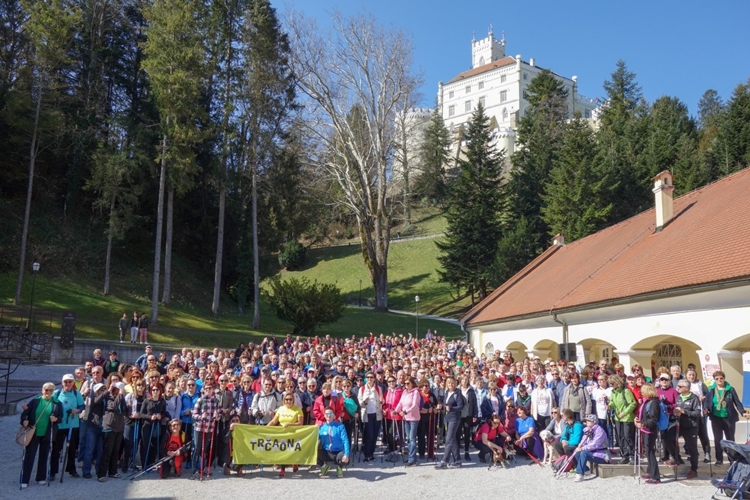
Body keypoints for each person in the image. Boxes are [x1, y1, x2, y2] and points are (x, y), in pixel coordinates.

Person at [20, 382, 62, 489]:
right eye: (46, 390)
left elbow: (60, 417)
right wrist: (24, 420)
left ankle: (41, 478)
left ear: (53, 392)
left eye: (50, 390)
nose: (48, 392)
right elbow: (25, 413)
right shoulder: (35, 401)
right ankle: (24, 479)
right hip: (34, 432)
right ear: (42, 390)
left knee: (44, 456)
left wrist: (55, 419)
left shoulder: (57, 403)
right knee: (29, 457)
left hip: (47, 433)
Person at [708, 370, 748, 466]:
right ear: (714, 380)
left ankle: (732, 459)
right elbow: (708, 402)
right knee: (718, 440)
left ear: (724, 378)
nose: (719, 380)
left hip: (728, 418)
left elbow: (737, 402)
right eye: (717, 378)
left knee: (730, 440)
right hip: (716, 418)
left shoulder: (730, 389)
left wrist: (743, 412)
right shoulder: (712, 389)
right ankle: (719, 459)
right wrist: (706, 409)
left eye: (721, 378)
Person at [50, 373, 84, 480]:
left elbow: (82, 405)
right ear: (62, 382)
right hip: (59, 425)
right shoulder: (57, 393)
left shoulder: (76, 393)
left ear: (73, 383)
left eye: (70, 382)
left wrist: (77, 410)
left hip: (72, 424)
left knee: (72, 449)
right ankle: (53, 471)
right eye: (65, 382)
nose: (68, 384)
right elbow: (49, 403)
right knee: (56, 449)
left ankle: (71, 469)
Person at [266, 392, 304, 477]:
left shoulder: (298, 409)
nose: (288, 401)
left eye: (290, 399)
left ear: (293, 400)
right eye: (286, 399)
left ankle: (294, 462)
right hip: (282, 433)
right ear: (284, 400)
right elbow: (274, 421)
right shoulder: (281, 409)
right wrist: (266, 428)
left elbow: (300, 423)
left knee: (291, 451)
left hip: (292, 433)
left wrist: (290, 424)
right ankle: (283, 469)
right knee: (282, 451)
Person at [97, 381, 126, 482]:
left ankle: (112, 471)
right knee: (107, 451)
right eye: (117, 389)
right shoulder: (108, 397)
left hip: (119, 427)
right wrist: (120, 395)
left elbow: (124, 410)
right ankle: (101, 473)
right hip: (109, 426)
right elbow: (114, 407)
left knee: (115, 451)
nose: (119, 390)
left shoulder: (122, 398)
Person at [435, 376, 465, 469]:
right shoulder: (447, 392)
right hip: (447, 417)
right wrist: (441, 406)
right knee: (453, 439)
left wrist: (451, 408)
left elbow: (461, 406)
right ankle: (457, 460)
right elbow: (446, 405)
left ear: (455, 384)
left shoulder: (457, 393)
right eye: (449, 383)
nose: (450, 385)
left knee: (448, 439)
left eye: (452, 383)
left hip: (455, 418)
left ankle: (445, 461)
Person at [674, 379, 701, 479]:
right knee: (669, 438)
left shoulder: (694, 398)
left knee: (692, 448)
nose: (678, 388)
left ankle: (694, 469)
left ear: (687, 388)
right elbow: (676, 409)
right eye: (678, 386)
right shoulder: (679, 397)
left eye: (680, 386)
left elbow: (697, 413)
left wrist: (684, 411)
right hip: (680, 425)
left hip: (691, 426)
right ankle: (676, 458)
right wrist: (675, 412)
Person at [635, 383, 661, 484]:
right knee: (648, 452)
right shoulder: (647, 402)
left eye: (643, 390)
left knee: (650, 453)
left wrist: (642, 424)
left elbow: (654, 419)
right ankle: (650, 471)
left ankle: (656, 477)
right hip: (646, 429)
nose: (641, 392)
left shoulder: (653, 403)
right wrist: (638, 420)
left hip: (650, 430)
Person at [192, 383, 219, 479]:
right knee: (197, 448)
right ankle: (194, 470)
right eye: (206, 388)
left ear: (213, 389)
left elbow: (218, 415)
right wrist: (200, 417)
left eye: (210, 388)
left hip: (209, 428)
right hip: (200, 428)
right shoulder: (200, 400)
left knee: (205, 449)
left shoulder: (215, 401)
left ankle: (202, 468)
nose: (208, 390)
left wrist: (217, 416)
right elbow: (194, 415)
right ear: (203, 389)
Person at [573, 414, 610, 482]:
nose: (586, 422)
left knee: (584, 453)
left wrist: (582, 448)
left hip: (602, 455)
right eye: (586, 421)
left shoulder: (600, 431)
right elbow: (584, 440)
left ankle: (579, 474)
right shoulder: (588, 430)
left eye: (589, 421)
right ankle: (586, 470)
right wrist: (580, 445)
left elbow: (594, 445)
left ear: (594, 422)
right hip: (593, 452)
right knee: (577, 453)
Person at [609, 374, 636, 465]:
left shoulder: (626, 391)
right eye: (610, 384)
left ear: (617, 382)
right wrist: (609, 405)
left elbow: (633, 404)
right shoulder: (613, 392)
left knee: (628, 437)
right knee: (620, 437)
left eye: (612, 383)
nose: (611, 385)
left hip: (627, 418)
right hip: (618, 418)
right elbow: (612, 402)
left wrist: (624, 412)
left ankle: (632, 455)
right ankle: (625, 455)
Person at [685, 367, 711, 463]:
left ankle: (707, 453)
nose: (691, 376)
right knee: (691, 436)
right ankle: (693, 454)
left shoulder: (700, 384)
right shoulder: (683, 384)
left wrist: (704, 399)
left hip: (699, 414)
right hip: (688, 415)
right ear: (686, 375)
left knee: (703, 435)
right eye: (689, 375)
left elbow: (708, 395)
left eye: (693, 375)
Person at [317, 406, 350, 478]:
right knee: (314, 454)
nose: (329, 415)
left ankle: (339, 467)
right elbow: (315, 440)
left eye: (330, 414)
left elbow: (345, 441)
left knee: (345, 458)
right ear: (324, 415)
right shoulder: (321, 428)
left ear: (334, 415)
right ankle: (324, 466)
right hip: (327, 452)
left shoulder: (340, 426)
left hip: (338, 452)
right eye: (327, 414)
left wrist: (346, 454)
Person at [395, 376, 421, 466]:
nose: (406, 385)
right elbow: (400, 403)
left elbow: (414, 405)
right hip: (406, 418)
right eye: (405, 384)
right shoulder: (404, 392)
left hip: (414, 418)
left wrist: (405, 411)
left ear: (412, 384)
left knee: (412, 438)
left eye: (408, 383)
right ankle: (412, 457)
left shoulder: (416, 392)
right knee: (408, 439)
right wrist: (396, 410)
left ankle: (411, 459)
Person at [358, 371, 383, 462]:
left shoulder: (378, 388)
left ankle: (371, 454)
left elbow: (381, 402)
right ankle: (367, 454)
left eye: (371, 377)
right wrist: (364, 402)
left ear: (374, 378)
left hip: (376, 414)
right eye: (368, 377)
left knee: (375, 435)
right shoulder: (362, 389)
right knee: (370, 435)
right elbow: (360, 402)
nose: (369, 379)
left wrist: (381, 402)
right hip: (367, 415)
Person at [656, 372, 680, 465]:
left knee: (670, 437)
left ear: (669, 381)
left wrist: (668, 406)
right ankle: (665, 455)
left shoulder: (673, 391)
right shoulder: (657, 390)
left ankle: (674, 455)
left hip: (671, 417)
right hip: (661, 417)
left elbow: (677, 403)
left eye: (666, 380)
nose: (664, 381)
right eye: (662, 379)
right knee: (663, 437)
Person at [457, 374, 477, 461]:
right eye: (463, 380)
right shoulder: (457, 390)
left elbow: (474, 403)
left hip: (468, 414)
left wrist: (475, 415)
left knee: (467, 433)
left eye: (466, 380)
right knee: (457, 433)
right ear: (460, 381)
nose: (464, 381)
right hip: (458, 414)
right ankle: (457, 453)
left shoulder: (471, 391)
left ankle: (466, 452)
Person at [417, 380, 438, 460]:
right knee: (421, 436)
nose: (426, 387)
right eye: (425, 386)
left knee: (431, 436)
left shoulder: (432, 395)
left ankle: (430, 453)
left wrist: (434, 409)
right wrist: (425, 410)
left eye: (428, 386)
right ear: (421, 387)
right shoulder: (418, 395)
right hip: (421, 419)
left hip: (431, 419)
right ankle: (421, 453)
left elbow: (435, 406)